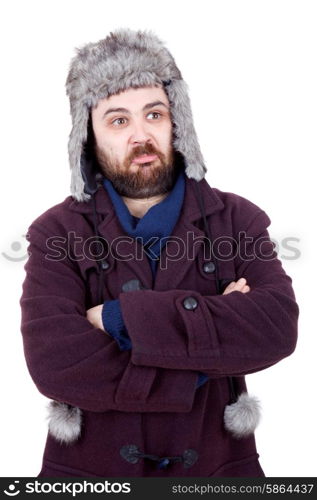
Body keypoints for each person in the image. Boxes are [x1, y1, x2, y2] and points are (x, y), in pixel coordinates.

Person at [20, 28, 299, 478]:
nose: (141, 135)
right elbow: (56, 365)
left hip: (218, 473)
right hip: (89, 478)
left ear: (177, 124)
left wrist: (117, 319)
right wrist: (204, 358)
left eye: (154, 114)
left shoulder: (239, 220)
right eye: (118, 120)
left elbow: (276, 328)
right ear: (88, 138)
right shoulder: (55, 232)